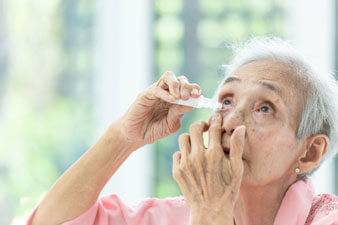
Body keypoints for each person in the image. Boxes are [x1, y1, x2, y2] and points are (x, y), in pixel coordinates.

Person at [27, 38, 338, 225]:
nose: (229, 123)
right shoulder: (174, 216)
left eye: (265, 108)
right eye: (227, 100)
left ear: (310, 152)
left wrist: (211, 211)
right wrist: (124, 136)